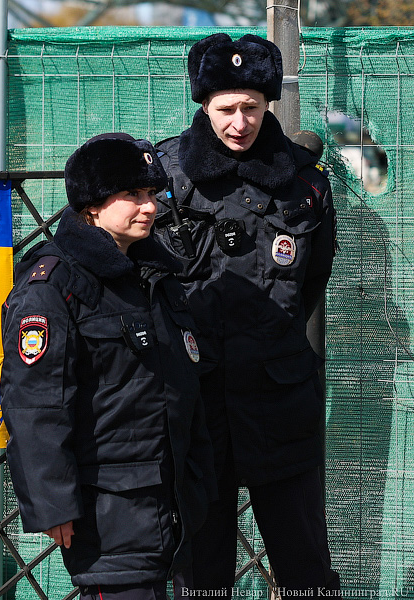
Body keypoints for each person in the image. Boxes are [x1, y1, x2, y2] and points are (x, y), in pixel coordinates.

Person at [153, 33, 341, 596]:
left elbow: (312, 280)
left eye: (252, 107)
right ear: (204, 105)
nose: (240, 123)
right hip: (197, 401)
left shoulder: (306, 184)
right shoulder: (163, 177)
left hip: (279, 399)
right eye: (226, 109)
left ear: (268, 103)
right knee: (200, 570)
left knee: (304, 566)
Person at [1, 133, 216, 600]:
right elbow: (35, 403)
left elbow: (183, 384)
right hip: (108, 510)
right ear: (92, 206)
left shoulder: (156, 274)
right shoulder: (54, 285)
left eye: (153, 193)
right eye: (132, 194)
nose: (150, 207)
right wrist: (53, 503)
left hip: (175, 501)